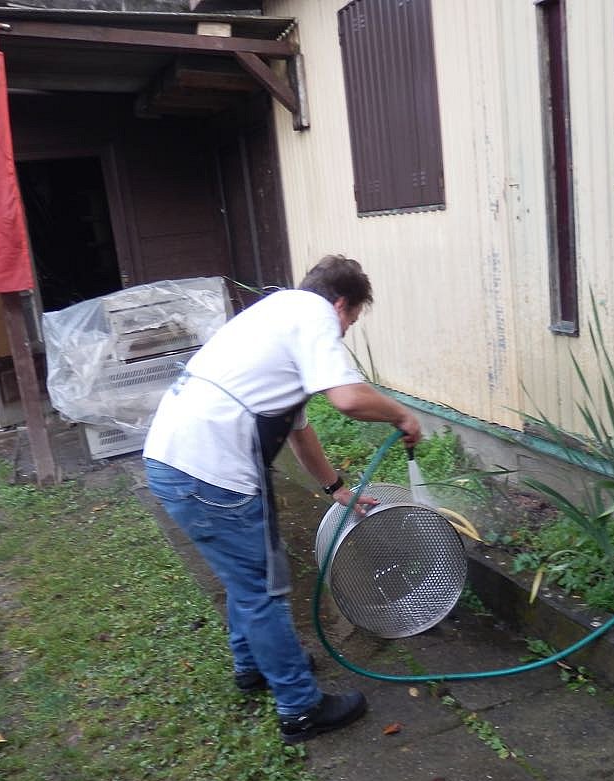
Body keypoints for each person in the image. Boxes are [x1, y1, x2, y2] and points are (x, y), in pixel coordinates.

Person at [143, 255, 421, 744]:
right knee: (262, 590)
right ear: (341, 304)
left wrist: (337, 490)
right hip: (209, 473)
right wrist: (402, 415)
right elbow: (348, 399)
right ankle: (300, 708)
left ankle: (254, 665)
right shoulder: (314, 315)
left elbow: (298, 430)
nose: (344, 332)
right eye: (351, 321)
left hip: (176, 460)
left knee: (245, 575)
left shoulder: (274, 316)